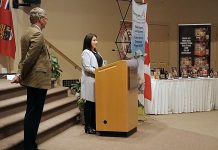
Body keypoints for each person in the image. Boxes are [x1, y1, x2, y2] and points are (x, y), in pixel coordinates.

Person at [11, 7, 51, 150]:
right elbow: (29, 58)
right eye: (45, 17)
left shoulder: (26, 33)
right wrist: (20, 73)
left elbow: (25, 58)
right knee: (34, 115)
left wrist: (20, 73)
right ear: (40, 19)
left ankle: (30, 144)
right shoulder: (37, 34)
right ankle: (29, 146)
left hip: (32, 79)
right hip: (38, 80)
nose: (47, 20)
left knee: (31, 112)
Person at [81, 33, 103, 134]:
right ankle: (88, 127)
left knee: (95, 105)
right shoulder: (86, 52)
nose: (96, 42)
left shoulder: (96, 52)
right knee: (89, 104)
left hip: (97, 81)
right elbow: (87, 67)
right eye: (94, 40)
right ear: (88, 41)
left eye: (96, 40)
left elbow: (100, 64)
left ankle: (94, 125)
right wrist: (98, 71)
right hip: (90, 81)